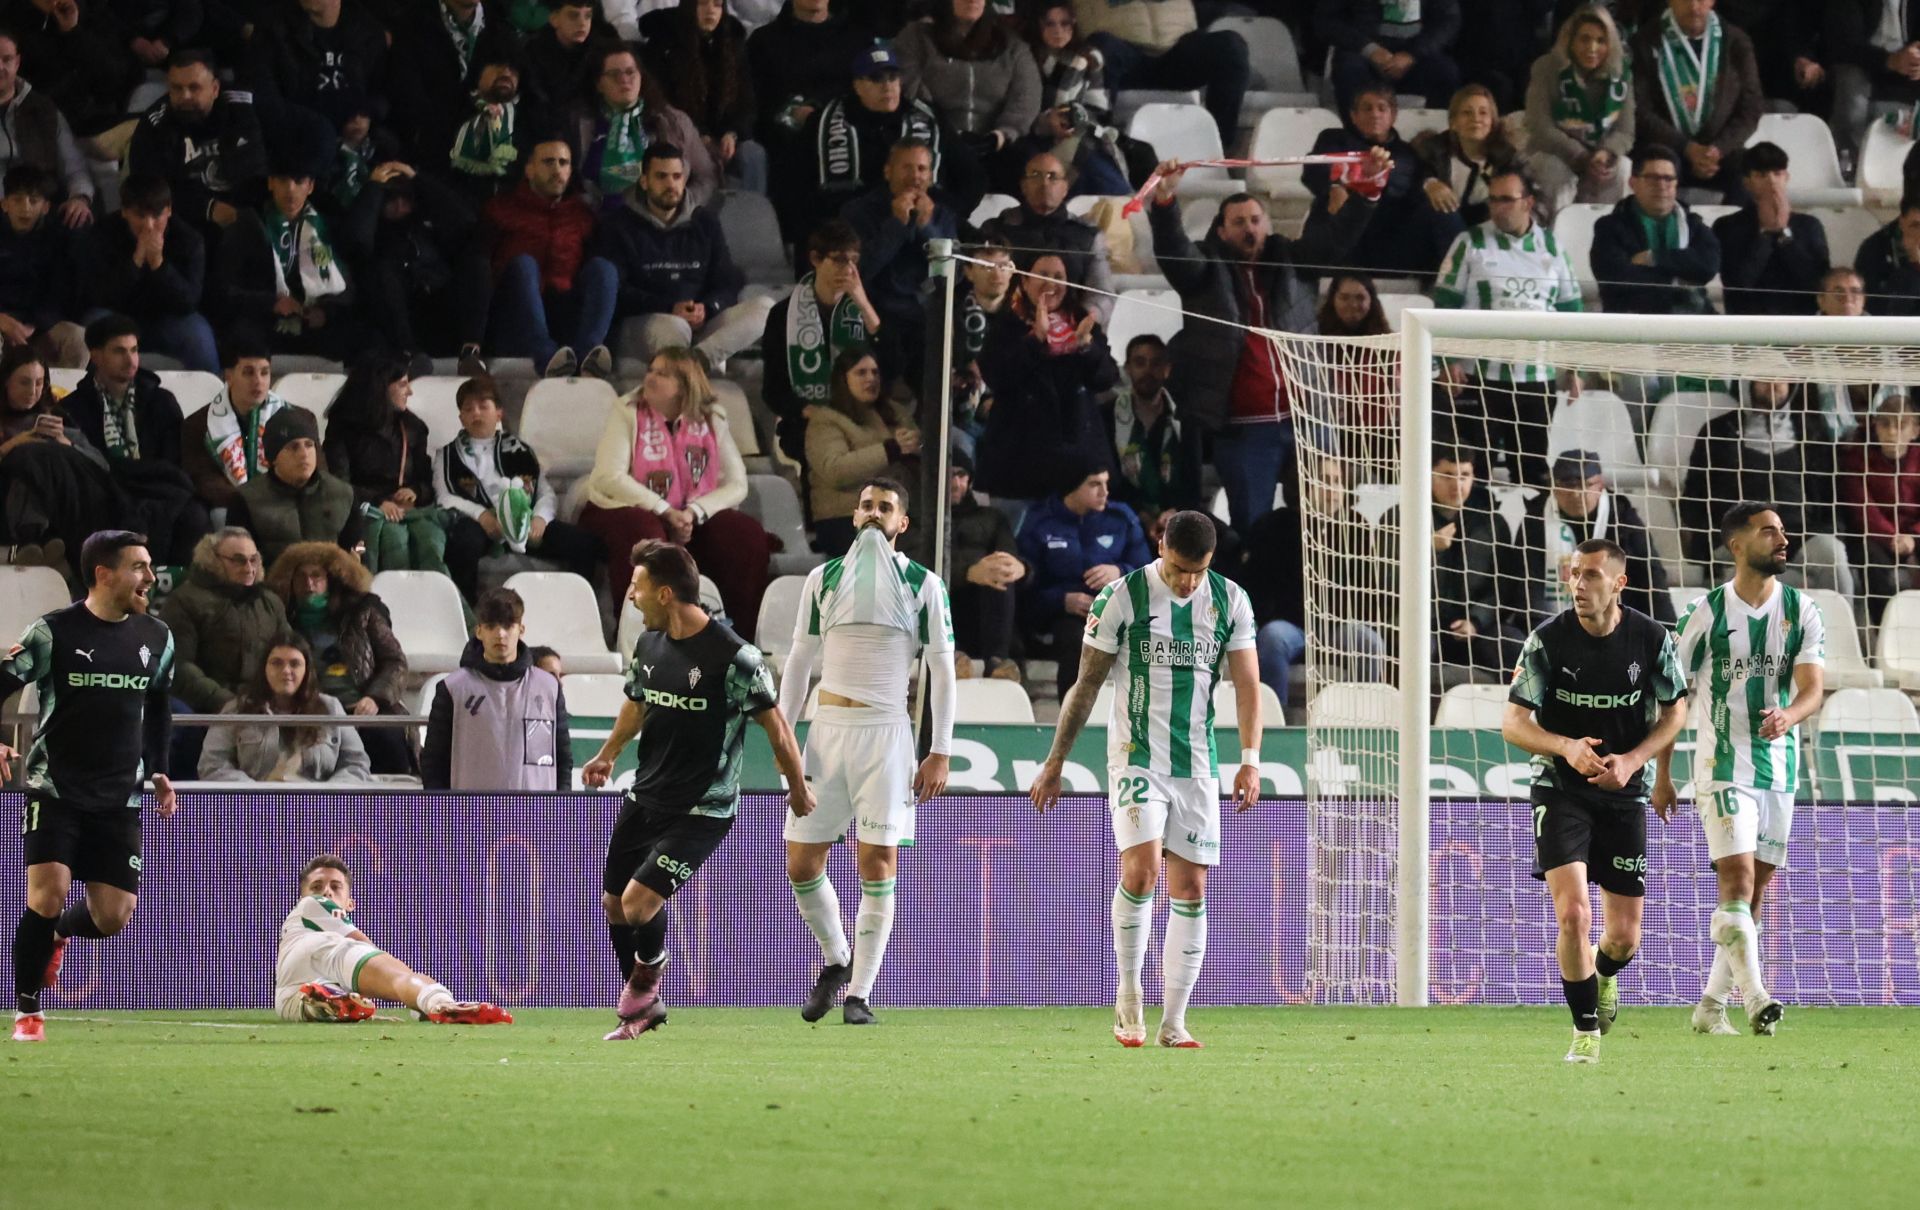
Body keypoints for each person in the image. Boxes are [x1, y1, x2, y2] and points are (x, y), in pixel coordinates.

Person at [1029, 510, 1262, 1049]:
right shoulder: (1123, 598)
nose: (1187, 582)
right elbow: (1086, 684)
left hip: (1197, 764)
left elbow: (1248, 683)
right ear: (1161, 547)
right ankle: (1129, 992)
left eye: (1197, 572)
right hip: (1136, 756)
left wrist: (1250, 758)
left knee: (1193, 887)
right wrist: (1055, 760)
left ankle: (1174, 1020)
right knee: (1141, 872)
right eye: (1179, 569)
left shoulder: (1230, 600)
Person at [582, 540, 812, 1039]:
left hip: (702, 808)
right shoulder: (647, 646)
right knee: (613, 904)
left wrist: (795, 787)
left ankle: (646, 983)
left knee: (640, 904)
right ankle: (644, 1004)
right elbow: (637, 704)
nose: (630, 597)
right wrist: (607, 754)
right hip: (646, 795)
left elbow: (777, 730)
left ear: (665, 594)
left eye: (637, 588)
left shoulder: (736, 658)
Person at [1503, 538, 1687, 1063]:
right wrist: (1565, 746)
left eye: (1590, 576)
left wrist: (1638, 763)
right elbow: (1513, 723)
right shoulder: (1547, 641)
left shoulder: (1651, 638)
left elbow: (1675, 710)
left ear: (1619, 583)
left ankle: (1603, 977)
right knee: (1574, 915)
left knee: (1625, 936)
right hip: (1560, 787)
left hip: (1623, 790)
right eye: (1573, 575)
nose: (1577, 585)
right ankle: (1585, 1031)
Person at [778, 479, 955, 1024]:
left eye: (886, 508)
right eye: (866, 506)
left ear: (902, 523)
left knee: (876, 861)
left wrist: (939, 749)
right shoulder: (821, 579)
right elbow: (800, 659)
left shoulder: (924, 585)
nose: (874, 514)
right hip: (826, 731)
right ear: (855, 517)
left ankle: (859, 994)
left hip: (886, 733)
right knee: (801, 862)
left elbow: (941, 668)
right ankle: (836, 960)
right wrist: (784, 732)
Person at [1146, 152, 1389, 533]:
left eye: (1256, 221)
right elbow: (1174, 253)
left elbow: (1338, 238)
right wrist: (1164, 203)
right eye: (1239, 222)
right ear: (1221, 232)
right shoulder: (1205, 270)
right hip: (1244, 429)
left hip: (1309, 420)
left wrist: (1369, 189)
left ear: (1268, 225)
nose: (1250, 229)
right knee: (1253, 527)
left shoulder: (1293, 259)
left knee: (1327, 527)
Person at [0, 531, 176, 1043]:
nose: (150, 577)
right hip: (55, 788)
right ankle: (28, 1012)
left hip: (120, 796)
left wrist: (160, 768)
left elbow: (160, 704)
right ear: (104, 573)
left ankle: (57, 935)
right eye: (139, 567)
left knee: (113, 916)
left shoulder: (157, 637)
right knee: (47, 892)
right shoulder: (52, 633)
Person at [1656, 502, 1823, 1038]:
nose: (1783, 538)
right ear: (1736, 545)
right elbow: (1671, 696)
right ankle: (1757, 1000)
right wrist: (1663, 773)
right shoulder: (1705, 613)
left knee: (1751, 900)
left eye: (1782, 530)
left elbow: (1812, 689)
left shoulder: (1802, 609)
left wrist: (1790, 715)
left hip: (1780, 770)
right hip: (1722, 765)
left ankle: (1708, 1007)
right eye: (1768, 531)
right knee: (1738, 881)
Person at [578, 347, 773, 635]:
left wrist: (694, 512)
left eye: (662, 373)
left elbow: (737, 484)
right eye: (651, 370)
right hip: (621, 507)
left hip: (687, 512)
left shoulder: (712, 418)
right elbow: (609, 477)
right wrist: (665, 510)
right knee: (645, 535)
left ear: (684, 385)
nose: (650, 378)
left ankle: (735, 637)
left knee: (744, 535)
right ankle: (641, 635)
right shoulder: (627, 410)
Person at [1432, 164, 1584, 489]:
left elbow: (1571, 310)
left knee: (1533, 476)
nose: (1497, 207)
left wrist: (1574, 367)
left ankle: (1528, 538)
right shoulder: (1469, 242)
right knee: (1474, 473)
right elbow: (1444, 304)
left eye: (1506, 200)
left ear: (1527, 203)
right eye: (1493, 200)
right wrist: (1447, 360)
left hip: (1535, 381)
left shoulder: (1553, 247)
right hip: (1479, 379)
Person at [274, 853, 511, 1024]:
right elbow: (370, 952)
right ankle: (440, 1003)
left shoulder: (294, 924)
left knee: (305, 1006)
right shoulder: (314, 906)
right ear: (302, 898)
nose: (326, 891)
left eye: (335, 886)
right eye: (317, 887)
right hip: (322, 949)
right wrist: (412, 993)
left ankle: (322, 1000)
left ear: (350, 904)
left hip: (287, 989)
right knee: (401, 977)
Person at [593, 142, 769, 371]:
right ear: (644, 181)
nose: (671, 184)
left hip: (699, 321)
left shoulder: (704, 221)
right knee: (675, 327)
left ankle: (697, 361)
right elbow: (618, 292)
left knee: (766, 307)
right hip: (647, 321)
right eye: (662, 177)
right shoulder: (618, 225)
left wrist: (708, 307)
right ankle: (692, 370)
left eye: (677, 176)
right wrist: (669, 307)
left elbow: (728, 281)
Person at [1244, 456, 1389, 716]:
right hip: (1291, 626)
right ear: (1303, 486)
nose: (1333, 490)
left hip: (1336, 627)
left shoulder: (1358, 528)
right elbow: (1257, 587)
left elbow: (1368, 588)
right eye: (1324, 481)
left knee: (1370, 642)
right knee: (1273, 637)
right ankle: (1274, 717)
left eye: (1338, 482)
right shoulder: (1272, 527)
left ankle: (1366, 719)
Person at [434, 374, 603, 598]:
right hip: (480, 523)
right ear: (461, 418)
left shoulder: (521, 450)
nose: (476, 413)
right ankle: (467, 617)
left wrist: (540, 518)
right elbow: (445, 497)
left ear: (498, 413)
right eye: (468, 409)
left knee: (583, 543)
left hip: (523, 518)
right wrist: (482, 515)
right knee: (463, 543)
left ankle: (573, 605)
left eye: (483, 406)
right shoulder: (445, 455)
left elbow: (544, 492)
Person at [1680, 378, 1852, 596]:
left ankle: (1841, 627)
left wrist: (1827, 531)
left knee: (1834, 558)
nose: (1774, 384)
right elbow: (1693, 498)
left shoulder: (1811, 431)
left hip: (1801, 534)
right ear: (1748, 385)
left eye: (1781, 380)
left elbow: (1831, 496)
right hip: (1742, 534)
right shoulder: (1717, 432)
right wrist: (1719, 536)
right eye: (1764, 380)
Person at [57, 314, 206, 563]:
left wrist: (128, 472)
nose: (130, 360)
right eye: (119, 351)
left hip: (158, 488)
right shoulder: (73, 408)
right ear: (95, 356)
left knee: (194, 516)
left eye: (134, 350)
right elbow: (87, 470)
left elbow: (172, 464)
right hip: (105, 493)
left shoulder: (162, 401)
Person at [973, 253, 1117, 507]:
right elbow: (997, 376)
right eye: (1043, 275)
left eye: (1058, 277)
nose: (1051, 283)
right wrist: (1035, 339)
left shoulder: (1082, 323)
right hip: (1019, 463)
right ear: (1025, 282)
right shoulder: (1006, 325)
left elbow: (1106, 379)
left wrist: (1086, 347)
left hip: (1077, 467)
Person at [801, 46, 983, 243]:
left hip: (924, 230)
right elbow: (798, 187)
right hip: (851, 234)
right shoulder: (822, 123)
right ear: (857, 85)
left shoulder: (930, 118)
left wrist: (942, 211)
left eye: (892, 77)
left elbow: (974, 178)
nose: (887, 86)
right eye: (877, 78)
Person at [263, 540, 414, 777]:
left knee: (386, 736)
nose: (309, 584)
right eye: (300, 577)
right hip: (310, 710)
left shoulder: (363, 610)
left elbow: (395, 661)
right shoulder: (282, 618)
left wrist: (375, 697)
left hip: (363, 705)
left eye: (316, 576)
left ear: (332, 579)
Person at [1384, 444, 1525, 678]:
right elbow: (1387, 582)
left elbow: (1503, 586)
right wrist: (1429, 551)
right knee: (1415, 643)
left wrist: (1477, 621)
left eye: (1464, 476)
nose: (1457, 485)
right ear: (1428, 475)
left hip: (1474, 628)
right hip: (1419, 623)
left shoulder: (1490, 523)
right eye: (1447, 475)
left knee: (1513, 645)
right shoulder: (1399, 518)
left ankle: (1513, 714)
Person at [483, 137, 618, 377]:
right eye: (548, 162)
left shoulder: (582, 215)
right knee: (524, 265)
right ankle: (546, 357)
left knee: (604, 268)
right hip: (516, 314)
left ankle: (589, 354)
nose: (557, 170)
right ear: (529, 169)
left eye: (563, 163)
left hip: (565, 312)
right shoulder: (501, 209)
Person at [747, 0, 875, 244]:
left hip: (848, 138)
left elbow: (870, 96)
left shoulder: (857, 39)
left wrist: (823, 116)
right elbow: (755, 103)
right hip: (786, 140)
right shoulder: (764, 41)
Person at [1018, 464, 1151, 699]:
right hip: (1063, 615)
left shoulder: (1121, 518)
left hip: (1116, 609)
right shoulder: (1040, 521)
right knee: (1078, 640)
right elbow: (1025, 586)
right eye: (1094, 484)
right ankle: (1072, 721)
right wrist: (1062, 600)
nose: (1104, 492)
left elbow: (1148, 575)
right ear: (1072, 488)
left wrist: (1120, 571)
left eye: (1106, 483)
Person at [421, 587, 573, 791]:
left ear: (521, 630)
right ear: (479, 631)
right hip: (471, 817)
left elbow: (562, 758)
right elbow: (433, 762)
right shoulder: (452, 689)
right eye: (491, 626)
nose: (500, 634)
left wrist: (561, 808)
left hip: (535, 818)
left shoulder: (549, 688)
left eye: (508, 625)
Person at [1303, 85, 1458, 281]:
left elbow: (1412, 194)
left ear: (1393, 115)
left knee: (1442, 210)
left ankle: (1451, 287)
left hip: (1386, 245)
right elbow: (1314, 170)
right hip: (1338, 237)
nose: (1375, 114)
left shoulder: (1408, 155)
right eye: (1367, 108)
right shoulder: (1333, 138)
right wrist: (1335, 186)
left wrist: (1431, 183)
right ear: (1353, 116)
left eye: (1382, 108)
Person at [760, 219, 882, 462]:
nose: (848, 269)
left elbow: (890, 365)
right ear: (816, 259)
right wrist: (809, 411)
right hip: (806, 422)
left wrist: (863, 304)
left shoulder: (868, 307)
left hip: (860, 417)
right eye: (838, 259)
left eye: (853, 260)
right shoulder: (783, 315)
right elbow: (773, 389)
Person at [323, 356, 455, 579]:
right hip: (362, 513)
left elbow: (426, 482)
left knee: (430, 541)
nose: (410, 392)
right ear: (380, 387)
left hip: (409, 513)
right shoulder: (342, 428)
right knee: (394, 541)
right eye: (402, 384)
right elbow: (339, 484)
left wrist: (415, 492)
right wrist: (378, 502)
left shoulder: (413, 428)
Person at [1515, 451, 1675, 630]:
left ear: (1600, 486)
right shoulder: (1536, 519)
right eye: (1568, 486)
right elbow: (1525, 581)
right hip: (1551, 623)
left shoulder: (1622, 520)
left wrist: (1667, 631)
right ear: (1553, 487)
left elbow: (1651, 577)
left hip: (1617, 622)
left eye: (1586, 485)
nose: (1577, 494)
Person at [840, 137, 960, 370]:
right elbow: (860, 270)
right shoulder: (858, 212)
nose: (915, 176)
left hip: (925, 315)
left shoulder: (942, 215)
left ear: (931, 177)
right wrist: (896, 225)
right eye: (907, 167)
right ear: (888, 172)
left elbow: (954, 274)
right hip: (875, 311)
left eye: (922, 169)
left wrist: (927, 228)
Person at [895, 0, 1041, 190]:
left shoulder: (1011, 44)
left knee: (1028, 162)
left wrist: (1000, 135)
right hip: (936, 138)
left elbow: (1026, 97)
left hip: (996, 141)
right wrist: (949, 133)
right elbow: (910, 87)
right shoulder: (917, 36)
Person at [0, 343, 121, 572]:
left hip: (61, 505)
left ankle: (42, 542)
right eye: (24, 382)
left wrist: (66, 444)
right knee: (29, 456)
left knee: (48, 455)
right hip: (6, 503)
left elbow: (101, 467)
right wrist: (16, 444)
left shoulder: (56, 416)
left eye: (39, 383)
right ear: (6, 381)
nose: (32, 391)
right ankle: (32, 537)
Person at [126, 48, 267, 241]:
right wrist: (208, 208)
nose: (185, 96)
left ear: (215, 88)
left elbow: (267, 161)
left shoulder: (244, 107)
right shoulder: (154, 125)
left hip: (250, 213)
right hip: (186, 226)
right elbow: (148, 190)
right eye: (176, 88)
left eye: (194, 88)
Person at [1629, 0, 1763, 203]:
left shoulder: (1735, 41)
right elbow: (1641, 110)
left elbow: (1751, 108)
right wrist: (1686, 147)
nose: (1693, 6)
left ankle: (1734, 232)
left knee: (1754, 171)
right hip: (1666, 147)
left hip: (1720, 152)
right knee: (1653, 168)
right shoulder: (1645, 41)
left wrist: (1717, 149)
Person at [86, 173, 219, 374]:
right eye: (140, 216)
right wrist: (136, 262)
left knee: (198, 335)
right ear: (124, 212)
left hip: (168, 319)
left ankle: (214, 402)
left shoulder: (189, 240)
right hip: (119, 317)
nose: (149, 225)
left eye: (157, 216)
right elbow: (100, 296)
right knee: (92, 324)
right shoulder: (103, 234)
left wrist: (159, 264)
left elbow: (189, 301)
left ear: (169, 211)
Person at [197, 634, 371, 784]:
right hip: (255, 810)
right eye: (276, 663)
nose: (286, 671)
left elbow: (356, 764)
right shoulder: (236, 709)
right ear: (264, 668)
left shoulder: (331, 708)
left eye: (295, 664)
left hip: (318, 810)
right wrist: (254, 795)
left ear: (307, 670)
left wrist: (327, 796)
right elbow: (213, 764)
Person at [568, 43, 719, 211]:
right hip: (599, 223)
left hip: (662, 224)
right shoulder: (580, 123)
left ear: (641, 77)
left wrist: (679, 207)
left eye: (630, 72)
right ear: (599, 84)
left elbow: (706, 176)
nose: (624, 79)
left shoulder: (672, 121)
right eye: (614, 74)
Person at [1076, 0, 1249, 141]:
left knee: (1231, 46)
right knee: (1100, 48)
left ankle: (1219, 143)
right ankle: (1097, 143)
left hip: (1177, 55)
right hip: (1123, 57)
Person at [639, 0, 764, 193]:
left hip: (725, 135)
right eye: (703, 3)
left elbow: (746, 101)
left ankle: (752, 219)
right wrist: (699, 134)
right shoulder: (664, 44)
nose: (711, 11)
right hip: (682, 134)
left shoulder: (732, 43)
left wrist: (732, 132)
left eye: (717, 5)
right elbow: (665, 101)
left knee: (752, 154)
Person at [806, 347, 920, 556]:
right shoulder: (826, 419)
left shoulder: (894, 412)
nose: (871, 378)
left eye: (875, 372)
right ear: (843, 379)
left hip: (899, 514)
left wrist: (917, 448)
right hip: (844, 517)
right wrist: (891, 449)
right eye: (861, 372)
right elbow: (835, 470)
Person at [980, 150, 1114, 325]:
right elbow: (982, 286)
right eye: (1035, 175)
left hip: (1070, 332)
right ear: (1023, 186)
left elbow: (1102, 294)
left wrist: (1074, 323)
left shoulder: (1088, 236)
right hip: (1006, 329)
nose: (1044, 183)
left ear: (1065, 188)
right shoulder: (997, 230)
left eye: (1053, 177)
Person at [1526, 5, 1636, 217]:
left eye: (1601, 41)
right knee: (1555, 172)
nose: (1592, 48)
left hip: (1598, 157)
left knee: (1622, 167)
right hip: (1554, 153)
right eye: (1584, 39)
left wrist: (1605, 153)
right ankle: (1553, 240)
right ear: (1570, 40)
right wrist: (1581, 155)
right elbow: (1539, 125)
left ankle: (1607, 235)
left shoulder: (1621, 74)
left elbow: (1625, 131)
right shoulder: (1546, 67)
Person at [1591, 145, 1721, 315]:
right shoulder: (1609, 227)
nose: (1661, 185)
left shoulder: (1694, 224)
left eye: (1668, 178)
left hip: (1693, 318)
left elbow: (1708, 266)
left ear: (1676, 184)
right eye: (1652, 178)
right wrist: (1680, 277)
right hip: (1632, 321)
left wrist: (1653, 257)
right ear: (1633, 183)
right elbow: (1617, 278)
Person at [227, 406, 357, 566]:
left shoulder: (343, 494)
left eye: (309, 445)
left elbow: (356, 558)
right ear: (273, 457)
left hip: (331, 585)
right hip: (271, 587)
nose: (304, 454)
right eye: (293, 447)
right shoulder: (246, 500)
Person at [1711, 141, 1830, 316]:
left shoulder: (1809, 225)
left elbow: (1816, 283)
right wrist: (1765, 234)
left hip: (1800, 326)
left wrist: (1784, 234)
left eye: (1777, 174)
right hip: (1747, 325)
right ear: (1747, 182)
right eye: (1761, 175)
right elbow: (1738, 283)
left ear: (1786, 177)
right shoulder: (1727, 226)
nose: (1772, 182)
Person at [1024, 3, 1131, 197]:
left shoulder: (1090, 58)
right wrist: (1050, 121)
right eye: (1050, 24)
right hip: (1038, 135)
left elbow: (1098, 106)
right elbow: (1023, 108)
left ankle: (1121, 206)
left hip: (1080, 131)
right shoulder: (1027, 58)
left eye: (1065, 24)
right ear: (1039, 26)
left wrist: (1076, 119)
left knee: (1094, 158)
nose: (1058, 31)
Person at [180, 336, 288, 512]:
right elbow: (203, 480)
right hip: (228, 506)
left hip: (284, 503)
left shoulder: (298, 419)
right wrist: (248, 501)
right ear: (229, 376)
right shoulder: (198, 424)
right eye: (248, 372)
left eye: (264, 372)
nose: (258, 381)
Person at [1102, 334, 1201, 524]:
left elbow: (1192, 484)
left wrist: (1174, 512)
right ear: (1128, 369)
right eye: (1140, 363)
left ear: (1167, 370)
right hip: (1124, 514)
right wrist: (1142, 515)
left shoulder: (1185, 418)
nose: (1148, 371)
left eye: (1156, 364)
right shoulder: (1108, 416)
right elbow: (1109, 480)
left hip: (1176, 516)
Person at [945, 447, 1023, 680]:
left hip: (983, 607)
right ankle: (953, 655)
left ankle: (997, 661)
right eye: (949, 475)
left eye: (961, 475)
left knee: (1001, 573)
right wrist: (969, 571)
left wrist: (1021, 568)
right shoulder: (921, 517)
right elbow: (916, 561)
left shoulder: (992, 517)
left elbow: (1007, 554)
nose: (955, 482)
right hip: (943, 601)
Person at [0, 166, 84, 368]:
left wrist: (33, 325)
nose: (25, 207)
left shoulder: (57, 239)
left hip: (38, 327)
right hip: (1, 323)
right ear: (4, 204)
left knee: (77, 339)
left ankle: (64, 398)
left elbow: (60, 292)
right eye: (17, 200)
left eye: (33, 201)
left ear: (46, 207)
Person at [1412, 84, 1522, 233]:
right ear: (1453, 122)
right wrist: (1430, 184)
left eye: (1483, 113)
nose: (1476, 119)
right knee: (1443, 211)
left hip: (1486, 233)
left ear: (1492, 121)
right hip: (1435, 229)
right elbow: (1417, 173)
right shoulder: (1435, 149)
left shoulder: (1507, 159)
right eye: (1467, 113)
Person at [1317, 0, 1464, 110]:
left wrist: (1412, 54)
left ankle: (1433, 141)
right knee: (1348, 71)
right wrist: (1370, 49)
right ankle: (1358, 141)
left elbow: (1448, 19)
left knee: (1445, 73)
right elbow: (1327, 20)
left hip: (1416, 53)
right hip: (1362, 51)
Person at [1829, 0, 1920, 168]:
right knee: (1852, 97)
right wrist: (1890, 60)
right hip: (1863, 61)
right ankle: (1852, 168)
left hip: (1906, 63)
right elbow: (1845, 44)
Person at [524, 0, 618, 108]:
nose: (582, 23)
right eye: (573, 16)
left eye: (587, 16)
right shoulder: (534, 52)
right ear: (554, 19)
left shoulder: (600, 50)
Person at [1853, 196, 1920, 318]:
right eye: (1915, 225)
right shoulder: (1875, 248)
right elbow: (1887, 310)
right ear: (1902, 222)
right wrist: (1914, 266)